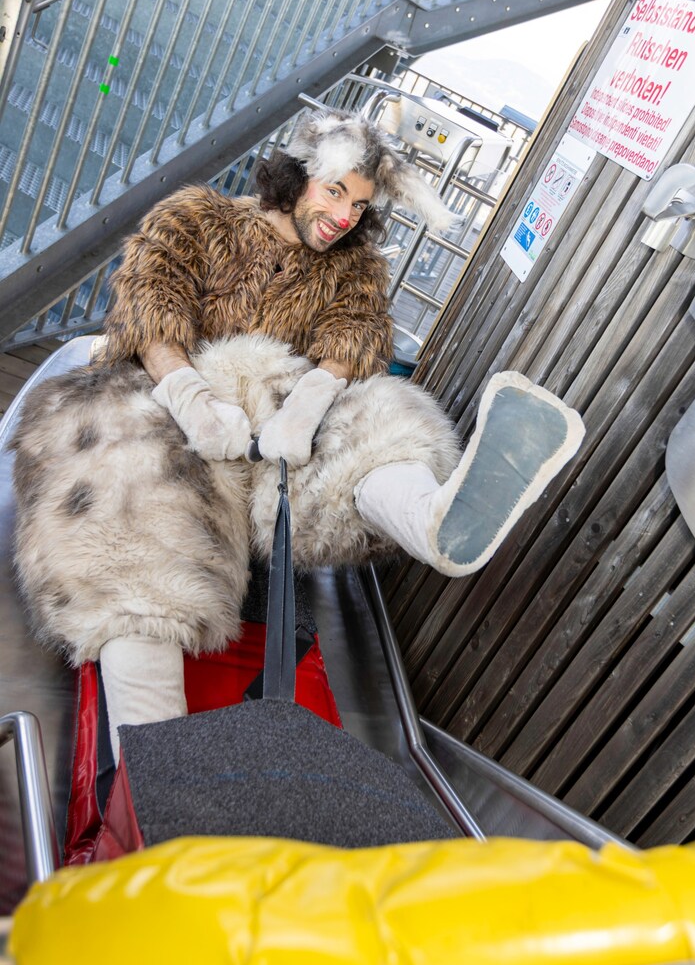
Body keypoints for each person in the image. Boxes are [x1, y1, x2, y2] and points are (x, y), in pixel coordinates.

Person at [11, 108, 585, 760]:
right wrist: (190, 396)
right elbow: (152, 311)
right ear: (298, 175)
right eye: (335, 192)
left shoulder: (354, 268)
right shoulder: (198, 219)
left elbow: (352, 343)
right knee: (130, 506)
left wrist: (308, 404)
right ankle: (156, 765)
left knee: (377, 411)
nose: (344, 216)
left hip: (266, 447)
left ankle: (434, 520)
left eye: (359, 204)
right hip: (166, 415)